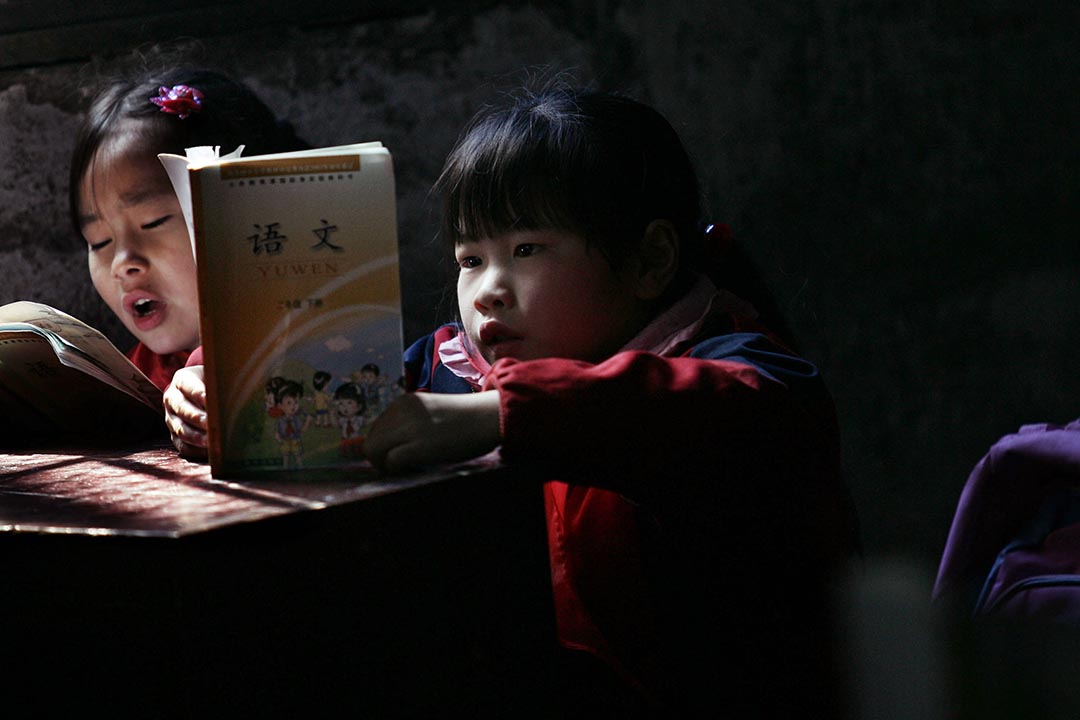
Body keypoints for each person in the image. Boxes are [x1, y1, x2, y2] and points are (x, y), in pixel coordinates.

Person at [363, 87, 857, 715]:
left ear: (649, 260)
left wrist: (503, 413)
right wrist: (224, 390)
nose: (487, 290)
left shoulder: (737, 372)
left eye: (526, 250)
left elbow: (742, 412)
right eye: (470, 258)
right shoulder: (445, 367)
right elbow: (343, 382)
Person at [70, 56, 307, 450]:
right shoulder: (133, 376)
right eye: (98, 242)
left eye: (152, 222)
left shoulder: (306, 349)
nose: (122, 263)